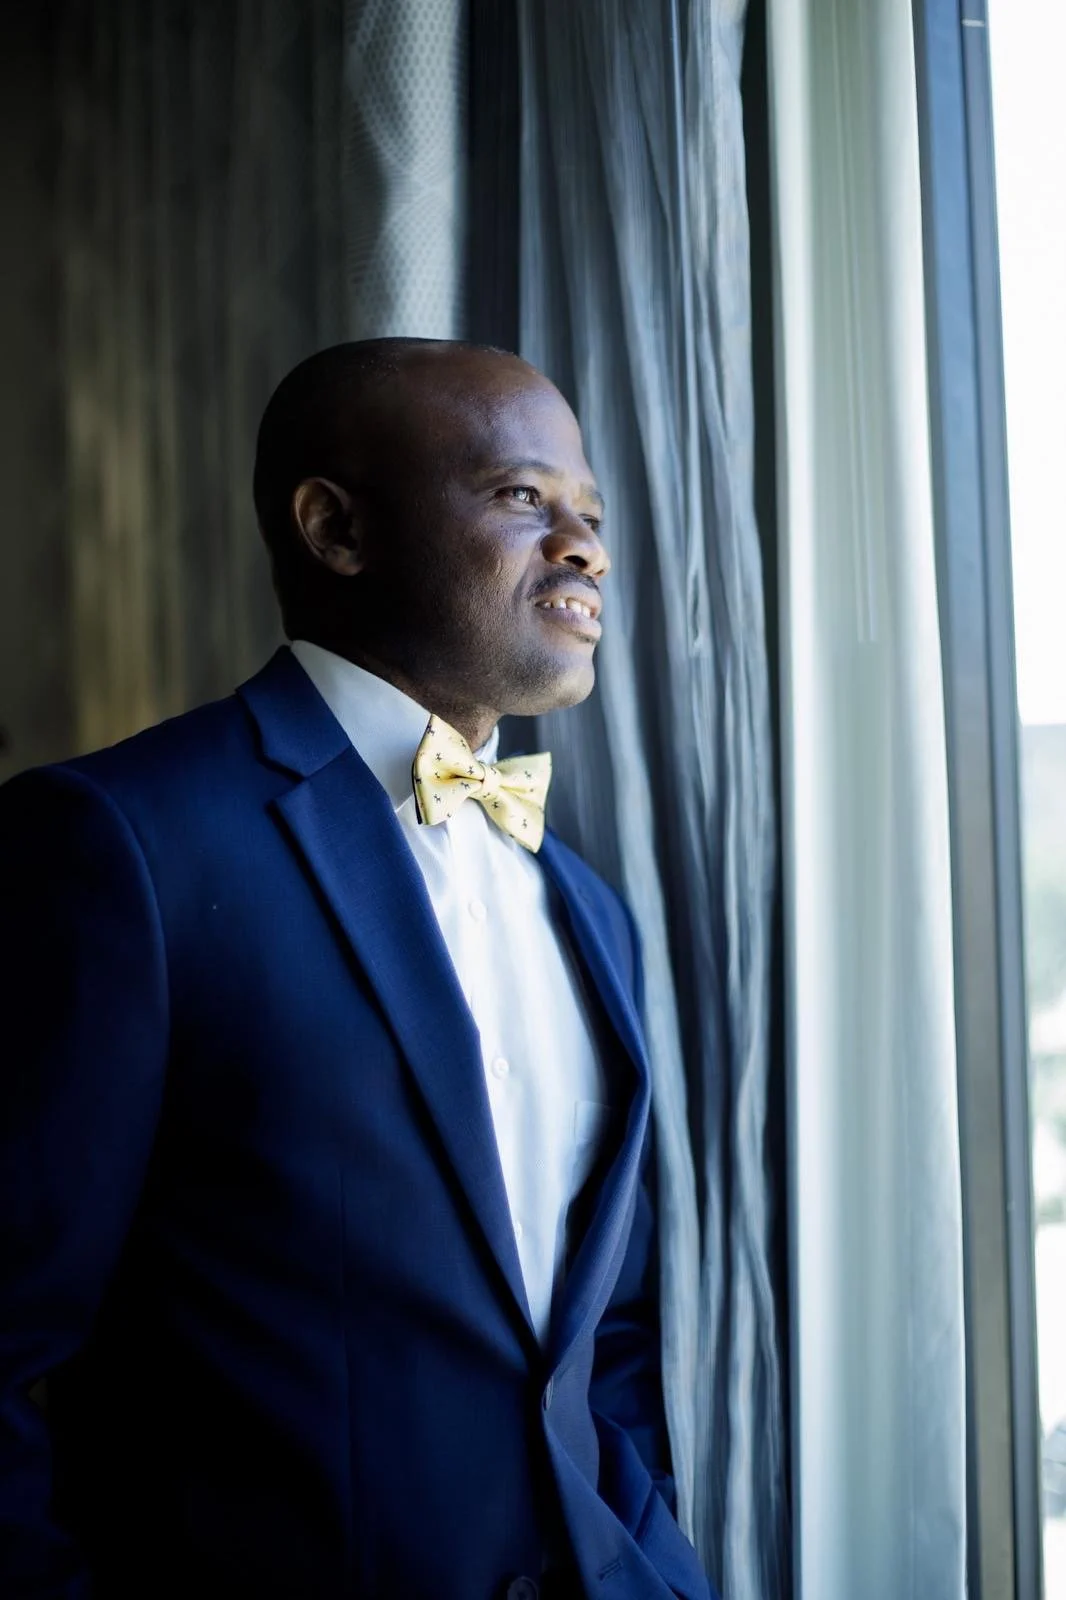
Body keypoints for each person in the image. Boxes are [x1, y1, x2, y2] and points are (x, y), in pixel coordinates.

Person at [0, 339, 713, 1600]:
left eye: (590, 515)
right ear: (334, 528)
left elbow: (602, 1339)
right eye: (521, 497)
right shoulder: (121, 845)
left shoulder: (589, 905)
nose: (586, 547)